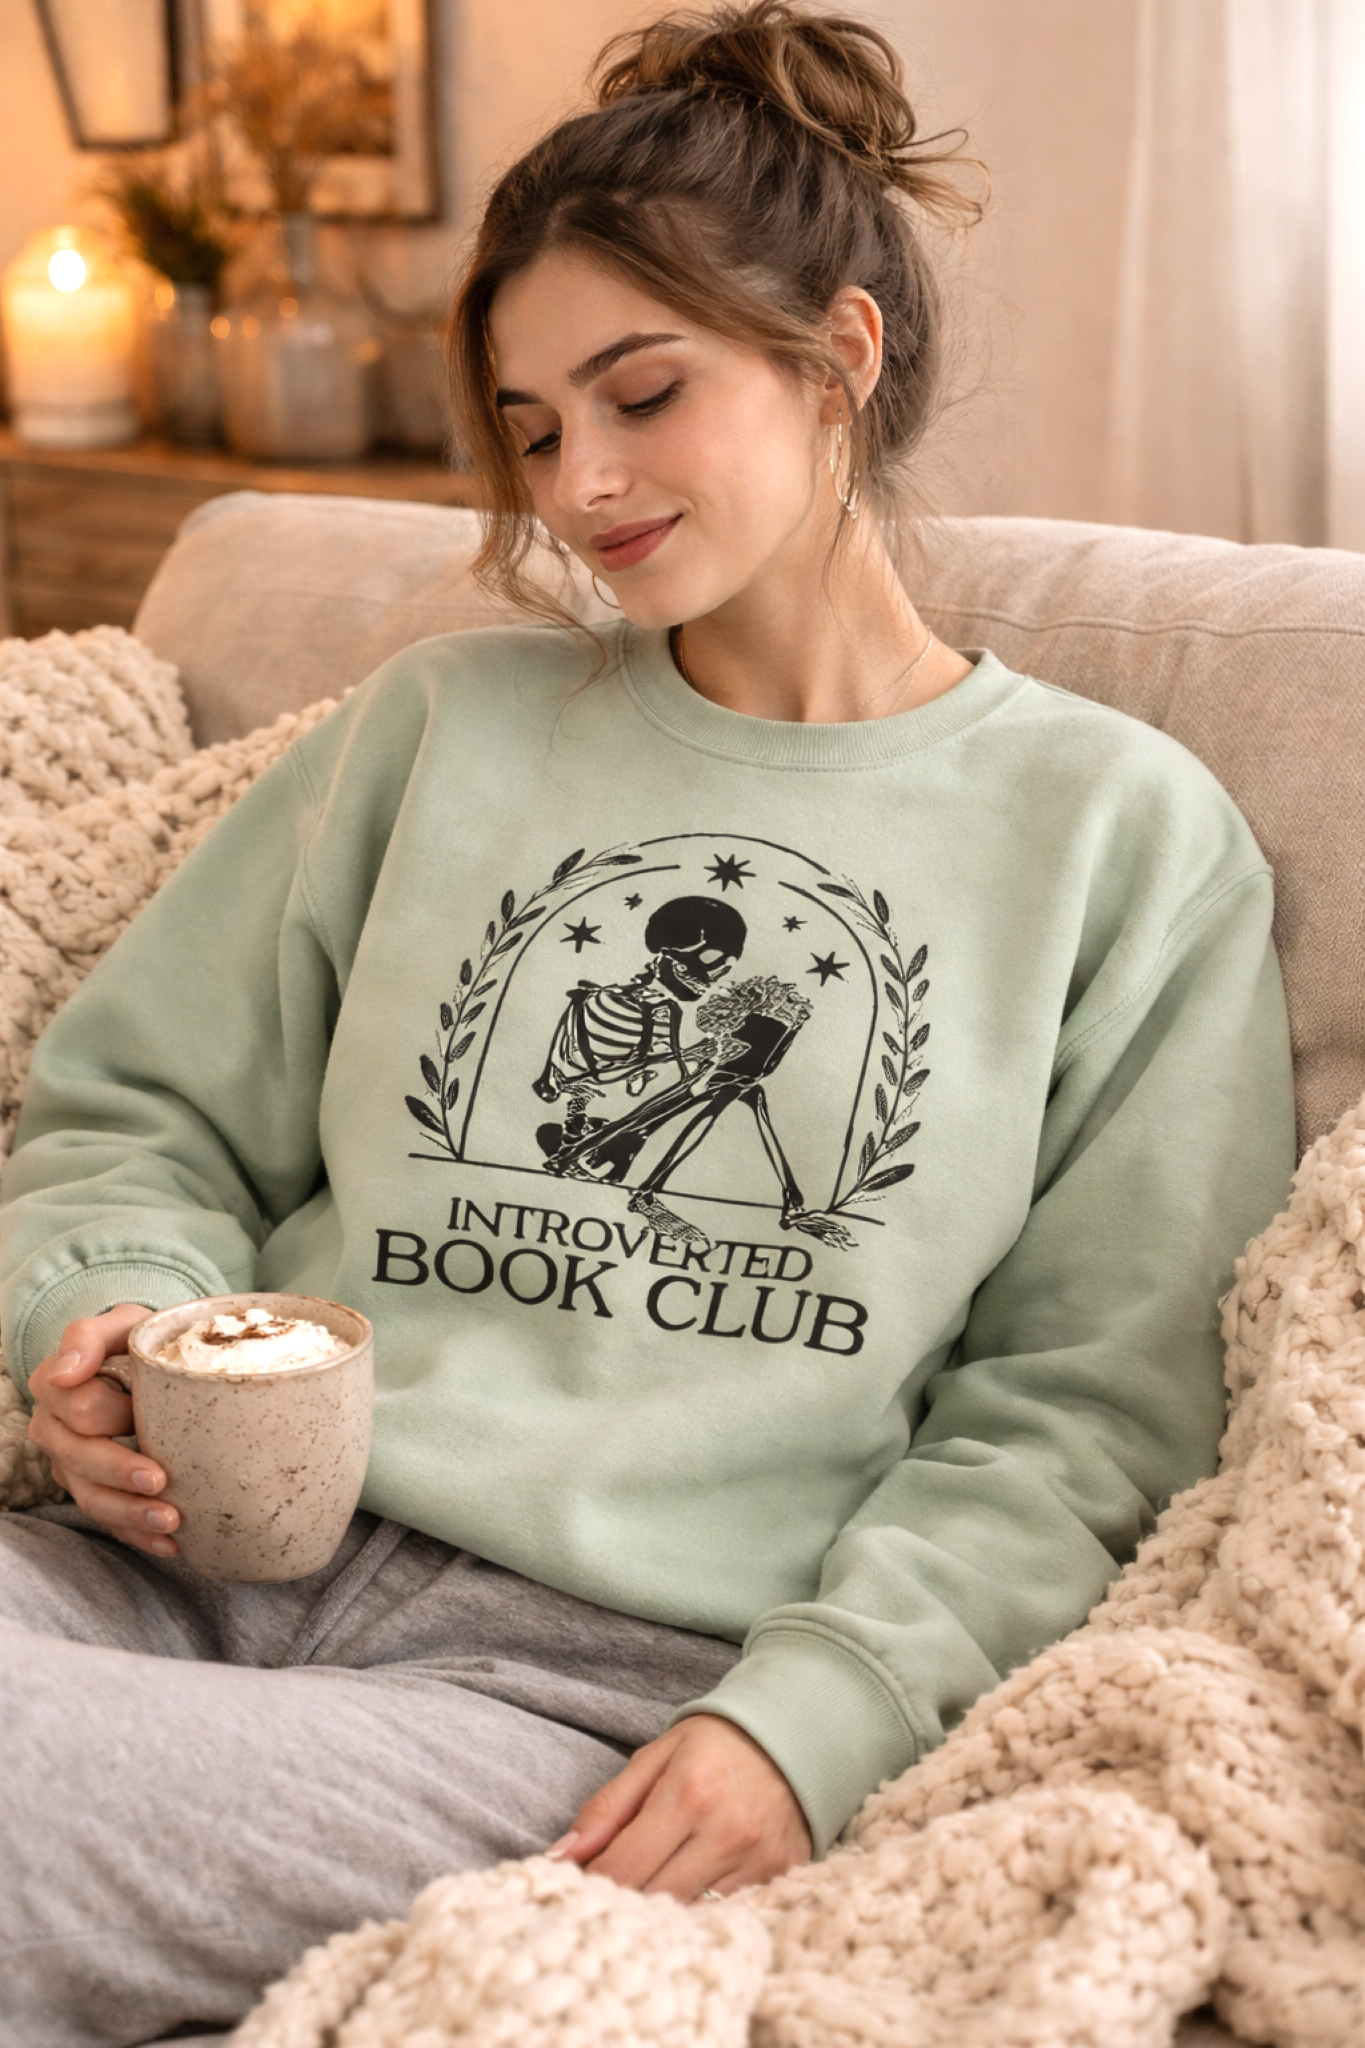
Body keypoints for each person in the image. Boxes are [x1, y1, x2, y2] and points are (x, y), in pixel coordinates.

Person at [0, 3, 1295, 2041]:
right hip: (199, 1553)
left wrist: (816, 1716)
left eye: (643, 392)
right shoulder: (441, 725)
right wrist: (108, 1319)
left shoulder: (1116, 837)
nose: (580, 484)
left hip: (584, 1697)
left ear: (836, 356)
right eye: (532, 429)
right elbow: (138, 1110)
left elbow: (1090, 1409)